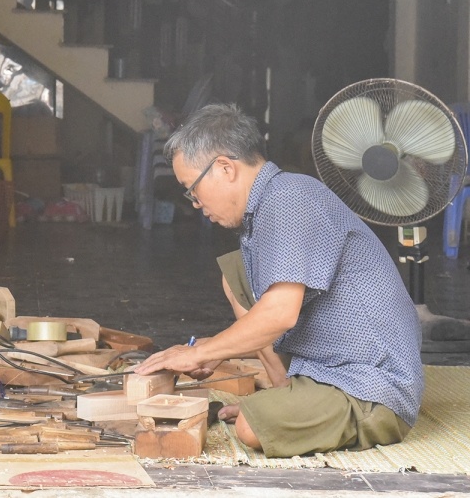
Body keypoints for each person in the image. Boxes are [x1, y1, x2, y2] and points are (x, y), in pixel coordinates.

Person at [133, 103, 422, 458]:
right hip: (324, 366)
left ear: (225, 168)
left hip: (369, 385)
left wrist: (200, 353)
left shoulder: (289, 199)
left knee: (252, 428)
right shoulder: (270, 203)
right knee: (236, 274)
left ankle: (288, 406)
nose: (195, 203)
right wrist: (215, 347)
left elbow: (279, 315)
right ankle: (285, 394)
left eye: (192, 189)